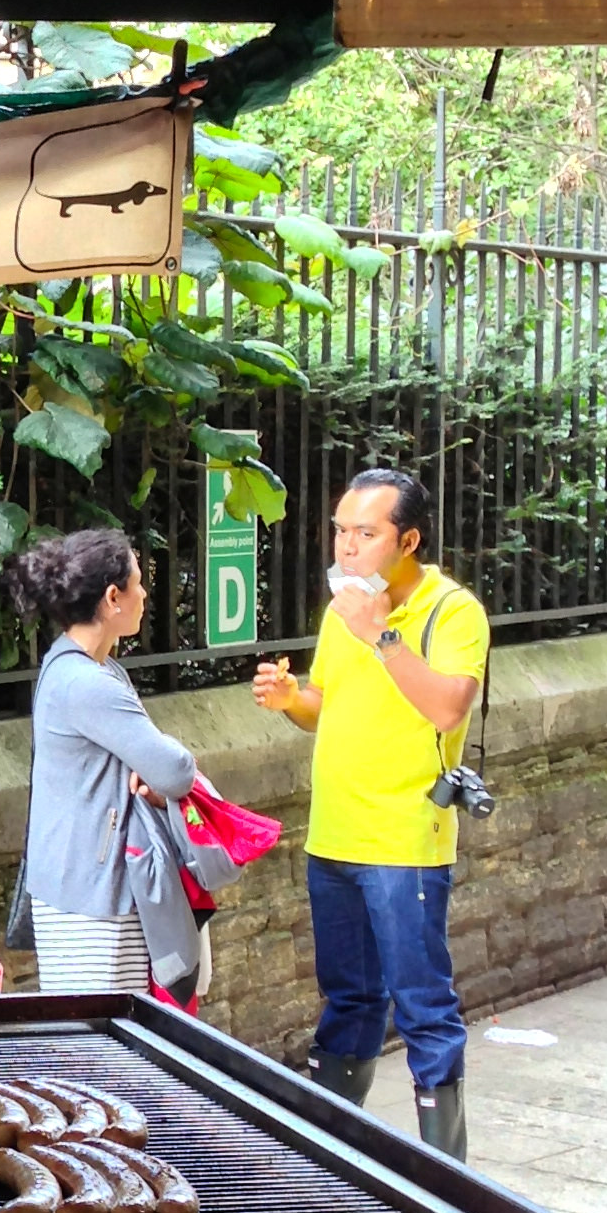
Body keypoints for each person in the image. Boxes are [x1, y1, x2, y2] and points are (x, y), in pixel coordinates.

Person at [254, 465, 489, 1157]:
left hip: (403, 840)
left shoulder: (453, 612)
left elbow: (448, 708)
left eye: (365, 533)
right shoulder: (343, 608)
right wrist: (290, 699)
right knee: (349, 999)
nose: (347, 547)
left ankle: (446, 1178)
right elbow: (324, 706)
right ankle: (330, 1158)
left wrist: (382, 635)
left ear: (408, 540)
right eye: (340, 532)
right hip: (334, 835)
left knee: (422, 1006)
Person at [5, 529, 211, 1002]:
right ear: (112, 598)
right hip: (89, 898)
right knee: (98, 1035)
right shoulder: (86, 683)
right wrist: (162, 759)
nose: (145, 594)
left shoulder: (84, 668)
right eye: (138, 583)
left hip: (85, 885)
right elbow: (175, 771)